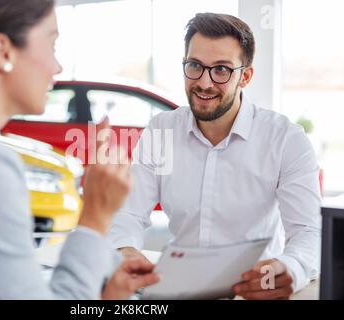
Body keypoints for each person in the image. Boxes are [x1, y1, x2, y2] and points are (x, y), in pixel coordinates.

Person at [0, 0, 159, 299]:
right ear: (2, 52)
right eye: (52, 44)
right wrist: (96, 216)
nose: (56, 67)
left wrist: (105, 295)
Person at [107, 13, 321, 300]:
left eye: (221, 70)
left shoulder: (285, 139)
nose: (204, 83)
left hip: (255, 291)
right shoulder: (162, 130)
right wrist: (124, 249)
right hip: (177, 291)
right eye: (195, 66)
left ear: (245, 76)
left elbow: (309, 231)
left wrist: (290, 268)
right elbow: (129, 213)